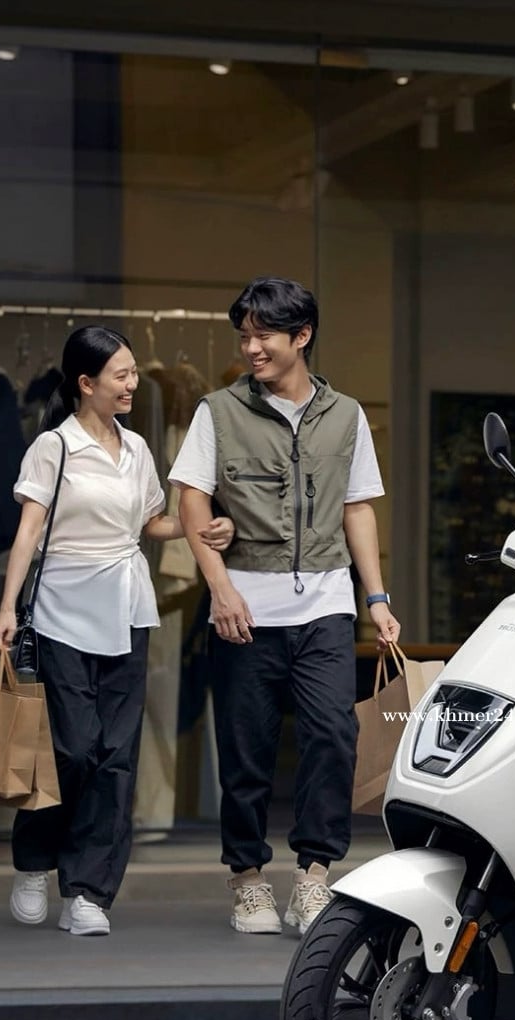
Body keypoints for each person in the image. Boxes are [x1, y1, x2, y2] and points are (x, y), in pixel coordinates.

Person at [170, 276, 400, 936]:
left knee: (332, 737)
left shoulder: (346, 416)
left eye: (263, 335)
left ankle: (313, 874)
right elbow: (191, 499)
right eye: (243, 336)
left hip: (325, 606)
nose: (251, 348)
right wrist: (220, 588)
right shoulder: (217, 412)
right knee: (247, 752)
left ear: (302, 336)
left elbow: (358, 508)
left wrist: (376, 597)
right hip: (244, 608)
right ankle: (246, 878)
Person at [0, 327, 235, 936]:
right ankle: (35, 859)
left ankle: (88, 892)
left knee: (116, 758)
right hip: (62, 611)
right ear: (86, 383)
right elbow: (27, 533)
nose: (132, 384)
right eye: (121, 375)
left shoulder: (138, 447)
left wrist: (202, 528)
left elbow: (153, 523)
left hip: (128, 608)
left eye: (132, 373)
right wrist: (6, 608)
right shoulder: (54, 446)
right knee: (71, 750)